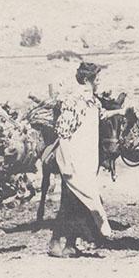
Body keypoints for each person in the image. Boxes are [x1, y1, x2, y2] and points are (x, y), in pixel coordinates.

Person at [48, 62, 121, 257]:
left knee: (78, 201)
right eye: (97, 79)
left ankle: (64, 242)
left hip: (89, 159)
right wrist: (67, 162)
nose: (99, 82)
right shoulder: (73, 101)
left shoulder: (94, 102)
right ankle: (65, 243)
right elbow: (63, 133)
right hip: (74, 158)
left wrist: (121, 112)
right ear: (87, 80)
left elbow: (102, 115)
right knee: (73, 200)